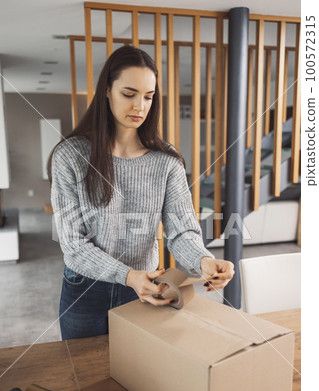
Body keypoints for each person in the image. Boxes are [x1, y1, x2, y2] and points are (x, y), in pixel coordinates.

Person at [48, 45, 234, 340]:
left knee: (139, 375)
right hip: (85, 289)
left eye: (148, 97)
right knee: (82, 377)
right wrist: (128, 275)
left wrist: (204, 261)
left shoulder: (166, 160)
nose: (140, 106)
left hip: (146, 288)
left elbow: (181, 230)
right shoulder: (70, 156)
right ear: (107, 90)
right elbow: (73, 245)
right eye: (129, 94)